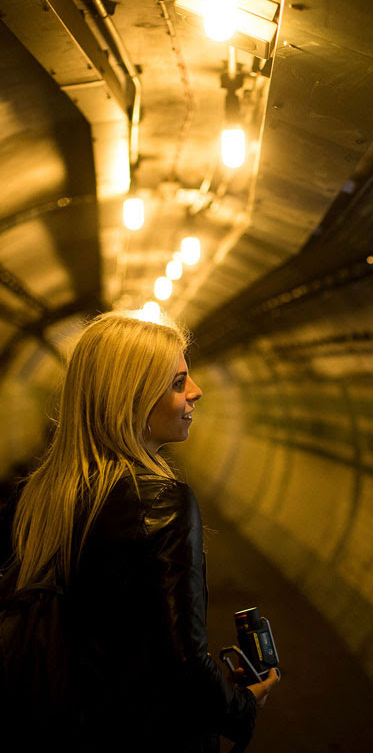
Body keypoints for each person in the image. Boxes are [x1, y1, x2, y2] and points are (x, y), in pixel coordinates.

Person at [10, 311, 279, 751]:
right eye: (177, 383)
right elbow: (184, 663)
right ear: (132, 398)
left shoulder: (37, 497)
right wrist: (242, 705)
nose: (197, 392)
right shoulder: (162, 503)